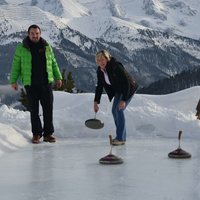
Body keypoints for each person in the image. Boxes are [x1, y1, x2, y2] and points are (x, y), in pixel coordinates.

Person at [10, 24, 62, 144]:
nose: (35, 35)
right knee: (34, 110)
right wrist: (13, 80)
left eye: (37, 33)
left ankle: (48, 134)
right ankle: (37, 134)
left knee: (48, 109)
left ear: (40, 34)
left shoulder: (46, 46)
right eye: (32, 33)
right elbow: (16, 65)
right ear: (28, 34)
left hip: (46, 83)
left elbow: (53, 63)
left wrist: (58, 77)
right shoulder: (21, 47)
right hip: (31, 84)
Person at [94, 50, 138, 145]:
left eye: (102, 59)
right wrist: (96, 101)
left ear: (107, 58)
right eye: (98, 60)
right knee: (114, 110)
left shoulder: (115, 66)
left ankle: (120, 138)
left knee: (119, 110)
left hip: (129, 87)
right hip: (118, 89)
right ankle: (120, 137)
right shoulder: (100, 71)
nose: (100, 62)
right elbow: (99, 86)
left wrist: (124, 100)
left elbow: (126, 83)